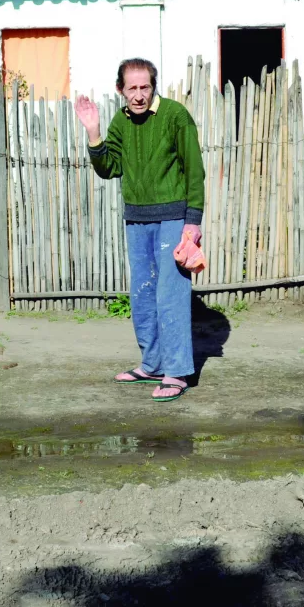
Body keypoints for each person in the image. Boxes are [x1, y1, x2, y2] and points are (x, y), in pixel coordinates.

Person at [75, 58, 205, 402]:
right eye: (131, 88)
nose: (138, 95)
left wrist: (193, 221)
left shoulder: (175, 115)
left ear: (153, 86)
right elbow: (110, 168)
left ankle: (177, 372)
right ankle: (153, 364)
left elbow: (194, 170)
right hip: (136, 218)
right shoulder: (120, 120)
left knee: (170, 294)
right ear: (121, 89)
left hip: (174, 218)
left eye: (144, 87)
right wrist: (93, 132)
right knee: (143, 294)